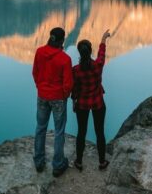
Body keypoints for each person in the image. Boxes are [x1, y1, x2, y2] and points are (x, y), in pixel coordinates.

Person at [32, 27, 73, 177]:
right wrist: (64, 96)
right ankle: (57, 165)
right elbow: (68, 84)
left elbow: (35, 73)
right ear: (62, 40)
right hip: (58, 99)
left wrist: (40, 87)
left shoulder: (39, 52)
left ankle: (39, 161)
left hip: (42, 95)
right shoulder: (65, 59)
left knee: (40, 128)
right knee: (59, 131)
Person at [71, 29, 113, 171]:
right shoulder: (98, 66)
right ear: (90, 51)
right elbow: (101, 54)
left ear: (79, 53)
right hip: (98, 103)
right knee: (99, 132)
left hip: (82, 104)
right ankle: (102, 162)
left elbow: (75, 89)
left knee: (81, 133)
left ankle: (79, 161)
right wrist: (103, 38)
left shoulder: (76, 70)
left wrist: (74, 100)